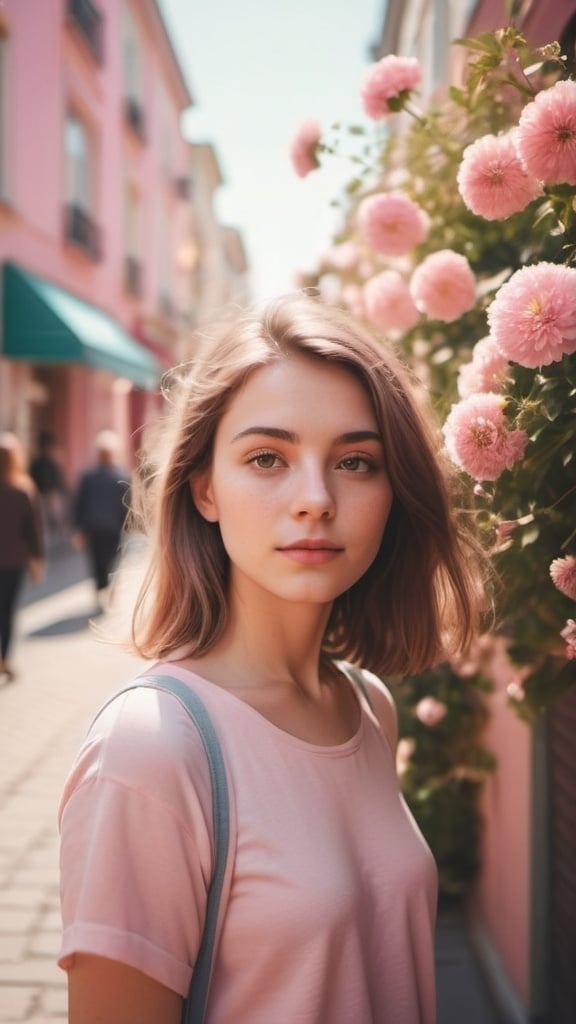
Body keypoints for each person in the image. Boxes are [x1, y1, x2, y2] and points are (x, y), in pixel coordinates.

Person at [58, 294, 487, 1023]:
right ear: (205, 489)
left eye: (356, 461)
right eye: (267, 458)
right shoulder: (152, 751)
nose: (315, 499)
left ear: (394, 489)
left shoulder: (366, 705)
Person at [0, 432, 45, 680]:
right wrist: (37, 562)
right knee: (6, 611)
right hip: (14, 562)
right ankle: (4, 658)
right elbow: (34, 531)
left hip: (12, 561)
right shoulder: (23, 490)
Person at [72, 431, 130, 607]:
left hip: (95, 528)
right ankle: (108, 590)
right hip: (113, 528)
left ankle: (101, 591)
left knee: (98, 562)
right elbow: (128, 507)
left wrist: (79, 529)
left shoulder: (88, 477)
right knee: (112, 561)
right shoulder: (122, 477)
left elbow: (79, 505)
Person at [29, 429, 69, 542]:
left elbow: (58, 479)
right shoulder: (39, 463)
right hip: (41, 493)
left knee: (54, 516)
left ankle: (57, 537)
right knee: (44, 518)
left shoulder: (50, 463)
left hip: (50, 493)